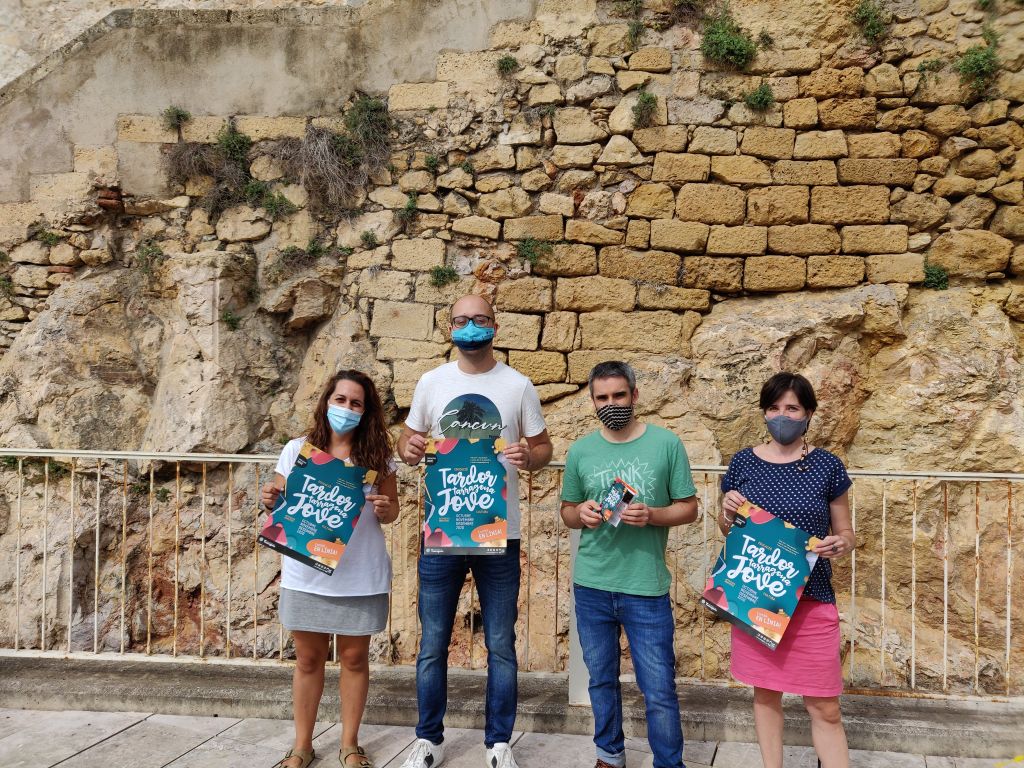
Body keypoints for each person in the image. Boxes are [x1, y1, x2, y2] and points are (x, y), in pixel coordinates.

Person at [398, 294, 553, 768]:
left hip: (498, 534)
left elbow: (543, 448)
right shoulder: (431, 382)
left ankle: (498, 743)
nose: (470, 326)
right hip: (442, 531)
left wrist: (529, 457)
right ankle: (428, 739)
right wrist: (409, 448)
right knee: (432, 643)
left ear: (495, 326)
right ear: (449, 327)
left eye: (479, 319)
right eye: (462, 320)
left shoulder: (518, 385)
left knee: (500, 644)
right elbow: (407, 440)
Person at [560, 361, 699, 768]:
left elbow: (689, 508)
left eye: (619, 395)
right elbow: (567, 511)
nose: (611, 404)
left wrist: (653, 515)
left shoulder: (666, 444)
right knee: (601, 680)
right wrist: (580, 512)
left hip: (646, 586)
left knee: (658, 687)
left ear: (635, 395)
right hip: (592, 584)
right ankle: (609, 755)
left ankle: (668, 763)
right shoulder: (580, 450)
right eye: (602, 398)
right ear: (592, 402)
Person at [261, 370, 399, 768]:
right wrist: (270, 499)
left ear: (366, 411)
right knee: (308, 660)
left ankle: (350, 744)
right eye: (340, 400)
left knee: (354, 660)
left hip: (360, 576)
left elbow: (391, 511)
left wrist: (387, 508)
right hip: (306, 574)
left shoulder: (378, 459)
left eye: (356, 403)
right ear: (326, 402)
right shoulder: (297, 450)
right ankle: (302, 746)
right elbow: (280, 505)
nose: (347, 408)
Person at [718, 372, 856, 768]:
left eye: (792, 408)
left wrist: (840, 544)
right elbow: (729, 531)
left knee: (825, 707)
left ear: (809, 413)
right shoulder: (743, 462)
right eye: (774, 407)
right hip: (758, 598)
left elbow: (846, 533)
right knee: (765, 696)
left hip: (812, 600)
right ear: (764, 412)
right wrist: (726, 512)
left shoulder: (828, 466)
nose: (782, 415)